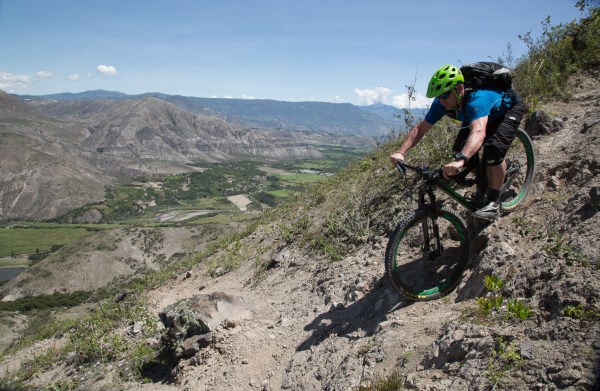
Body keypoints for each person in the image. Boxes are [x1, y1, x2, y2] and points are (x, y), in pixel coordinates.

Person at [389, 64, 526, 220]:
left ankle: (494, 202)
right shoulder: (442, 103)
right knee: (459, 150)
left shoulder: (477, 100)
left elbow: (479, 132)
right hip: (476, 118)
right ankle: (487, 177)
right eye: (438, 96)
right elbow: (420, 129)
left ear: (460, 89)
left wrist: (460, 161)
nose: (441, 100)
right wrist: (401, 151)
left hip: (506, 110)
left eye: (445, 95)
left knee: (493, 150)